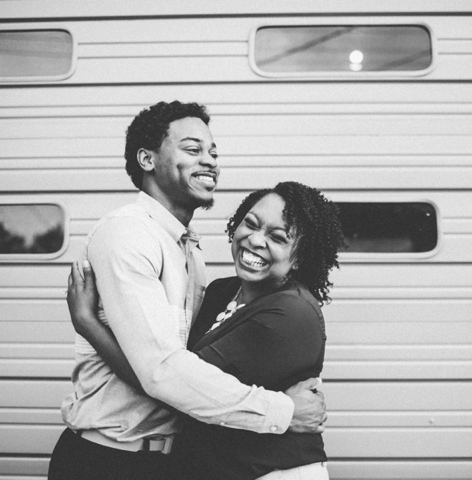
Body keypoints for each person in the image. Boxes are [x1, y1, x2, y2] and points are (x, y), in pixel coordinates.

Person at [48, 101, 327, 480]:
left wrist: (88, 324)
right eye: (193, 149)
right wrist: (282, 412)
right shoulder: (128, 234)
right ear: (147, 159)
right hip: (108, 459)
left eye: (213, 152)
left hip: (166, 463)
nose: (210, 161)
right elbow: (162, 372)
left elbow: (184, 364)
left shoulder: (189, 253)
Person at [68, 181, 346, 479]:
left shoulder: (289, 314)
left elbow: (174, 389)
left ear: (300, 258)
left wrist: (88, 324)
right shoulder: (220, 291)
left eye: (277, 238)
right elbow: (171, 372)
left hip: (275, 473)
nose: (255, 240)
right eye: (250, 224)